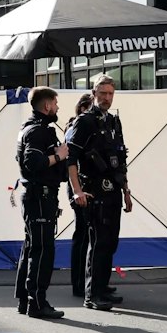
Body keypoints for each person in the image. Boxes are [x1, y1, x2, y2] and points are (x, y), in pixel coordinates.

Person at [66, 76, 132, 311]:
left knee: (110, 242)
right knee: (98, 244)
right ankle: (92, 294)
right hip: (94, 190)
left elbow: (120, 159)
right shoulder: (84, 122)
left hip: (113, 190)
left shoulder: (113, 121)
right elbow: (70, 158)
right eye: (102, 93)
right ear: (94, 93)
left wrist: (126, 191)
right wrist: (77, 190)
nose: (106, 98)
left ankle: (102, 288)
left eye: (110, 93)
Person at [14, 87, 73, 319]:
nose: (57, 107)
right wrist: (59, 156)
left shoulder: (29, 128)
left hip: (36, 196)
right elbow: (32, 162)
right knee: (42, 251)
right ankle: (37, 303)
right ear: (47, 105)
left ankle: (25, 300)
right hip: (40, 197)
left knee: (32, 247)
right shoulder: (39, 131)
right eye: (55, 103)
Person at [64, 92, 96, 302]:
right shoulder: (76, 127)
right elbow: (71, 160)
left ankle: (93, 281)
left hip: (89, 187)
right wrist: (77, 189)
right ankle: (79, 283)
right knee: (83, 235)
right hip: (80, 188)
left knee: (91, 236)